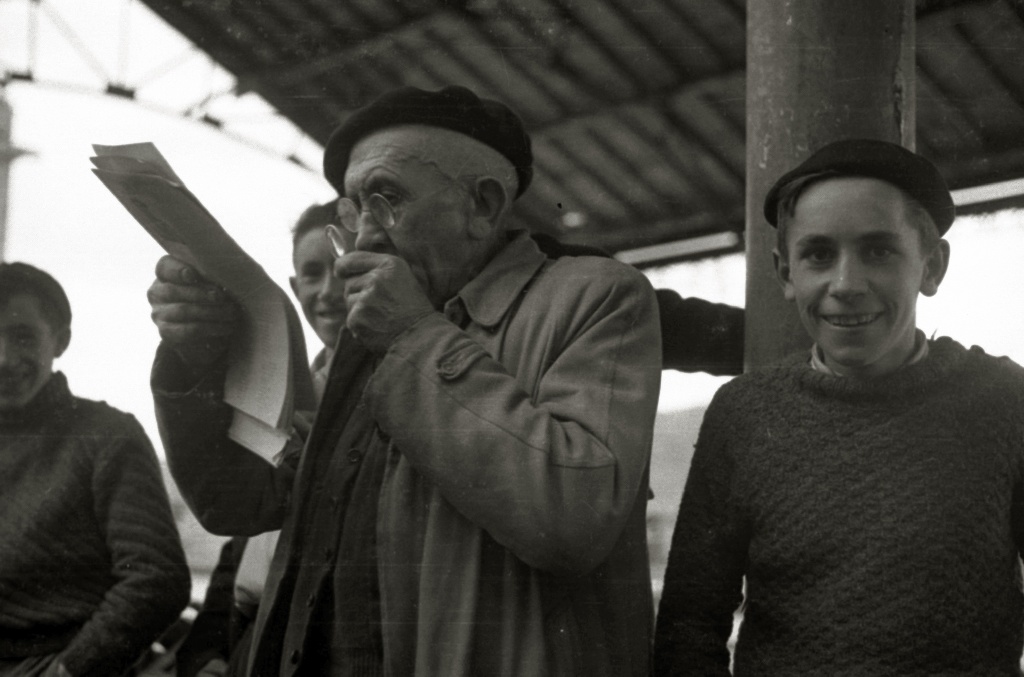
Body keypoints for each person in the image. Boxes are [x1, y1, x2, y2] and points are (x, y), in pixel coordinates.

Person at [148, 85, 662, 676]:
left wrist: (413, 336)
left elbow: (572, 516)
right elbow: (241, 501)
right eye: (353, 212)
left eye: (387, 199)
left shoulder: (598, 297)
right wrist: (196, 360)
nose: (365, 237)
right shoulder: (367, 332)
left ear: (484, 205)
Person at [654, 138, 1024, 675]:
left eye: (879, 251)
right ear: (786, 273)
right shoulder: (744, 414)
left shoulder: (1004, 401)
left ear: (932, 266)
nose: (846, 284)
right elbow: (689, 623)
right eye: (818, 255)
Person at [174, 201, 347, 677]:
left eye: (341, 269)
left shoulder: (389, 393)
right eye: (312, 274)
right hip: (249, 636)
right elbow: (244, 539)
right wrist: (206, 650)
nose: (328, 292)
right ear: (293, 287)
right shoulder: (284, 391)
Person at [0, 262, 190, 677]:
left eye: (22, 336)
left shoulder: (107, 437)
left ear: (60, 341)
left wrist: (70, 669)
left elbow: (157, 579)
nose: (4, 359)